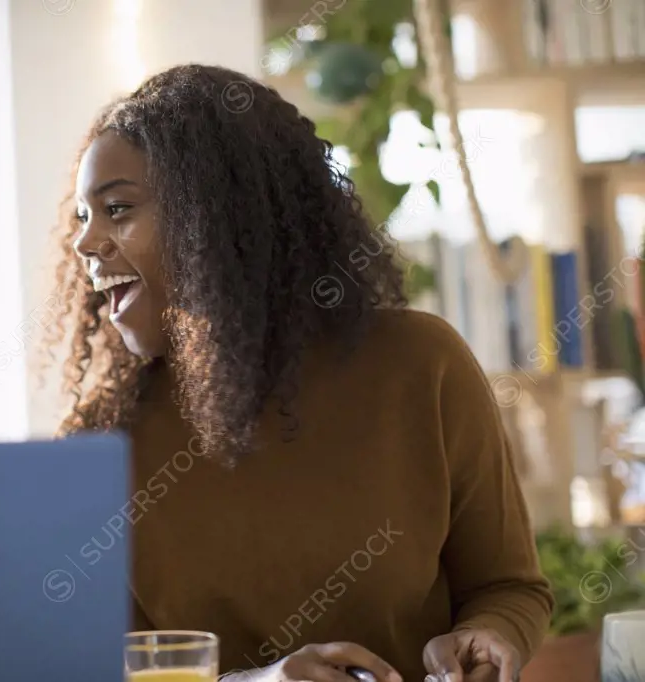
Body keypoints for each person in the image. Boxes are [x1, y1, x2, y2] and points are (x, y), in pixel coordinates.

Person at [41, 64, 553, 682]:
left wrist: (487, 637)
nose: (85, 243)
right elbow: (101, 670)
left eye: (116, 208)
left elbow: (509, 587)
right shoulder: (100, 442)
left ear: (215, 212)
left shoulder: (422, 365)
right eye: (81, 217)